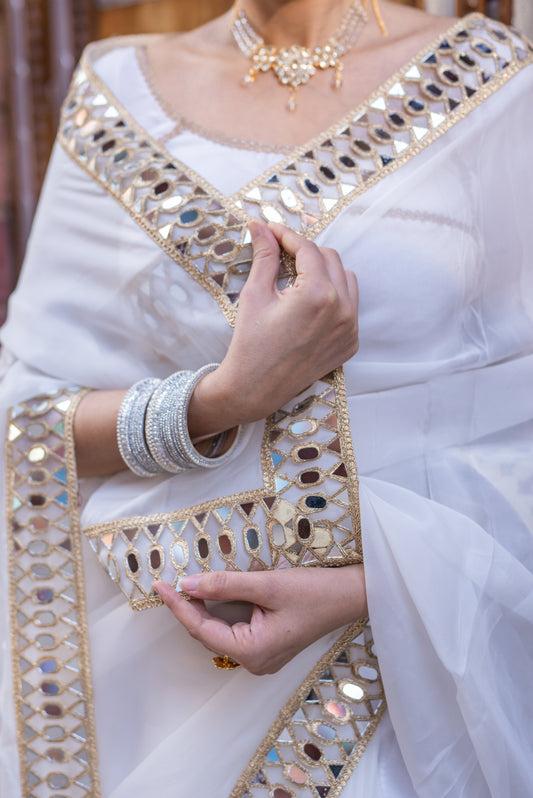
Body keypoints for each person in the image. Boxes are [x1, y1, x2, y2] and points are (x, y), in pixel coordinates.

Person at [1, 1, 532, 796]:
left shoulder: (494, 85)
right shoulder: (116, 91)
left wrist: (372, 588)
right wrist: (218, 400)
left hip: (414, 669)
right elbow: (25, 424)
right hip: (156, 670)